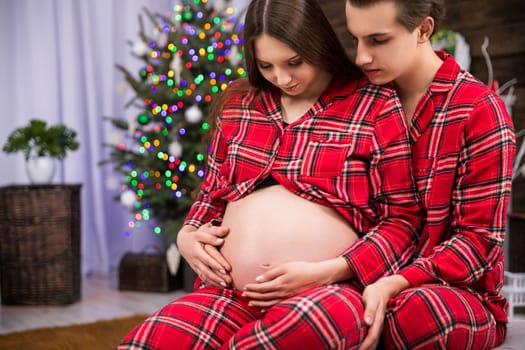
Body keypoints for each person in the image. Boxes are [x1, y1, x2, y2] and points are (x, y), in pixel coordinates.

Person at [118, 0, 422, 348]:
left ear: (318, 44)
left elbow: (403, 220)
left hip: (326, 293)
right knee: (147, 343)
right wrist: (187, 236)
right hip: (229, 294)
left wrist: (332, 269)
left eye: (295, 62)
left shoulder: (374, 104)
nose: (283, 78)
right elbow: (211, 197)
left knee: (292, 332)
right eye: (267, 65)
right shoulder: (239, 104)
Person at [344, 0, 516, 349]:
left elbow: (477, 244)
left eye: (378, 40)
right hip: (364, 276)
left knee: (416, 316)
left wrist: (395, 283)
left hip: (456, 295)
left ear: (423, 30)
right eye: (355, 40)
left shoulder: (479, 111)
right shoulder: (358, 102)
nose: (361, 57)